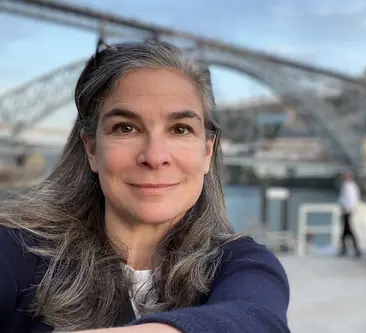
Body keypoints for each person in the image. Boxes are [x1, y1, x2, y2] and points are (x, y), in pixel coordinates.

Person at [0, 40, 290, 333]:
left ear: (207, 153)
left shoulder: (242, 264)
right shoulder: (17, 251)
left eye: (180, 129)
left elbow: (258, 319)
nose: (154, 157)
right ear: (91, 150)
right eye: (126, 128)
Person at [337, 171, 361, 257]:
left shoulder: (349, 186)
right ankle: (345, 248)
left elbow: (350, 199)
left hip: (347, 211)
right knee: (346, 231)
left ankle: (353, 249)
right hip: (347, 210)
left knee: (348, 231)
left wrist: (345, 206)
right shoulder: (350, 186)